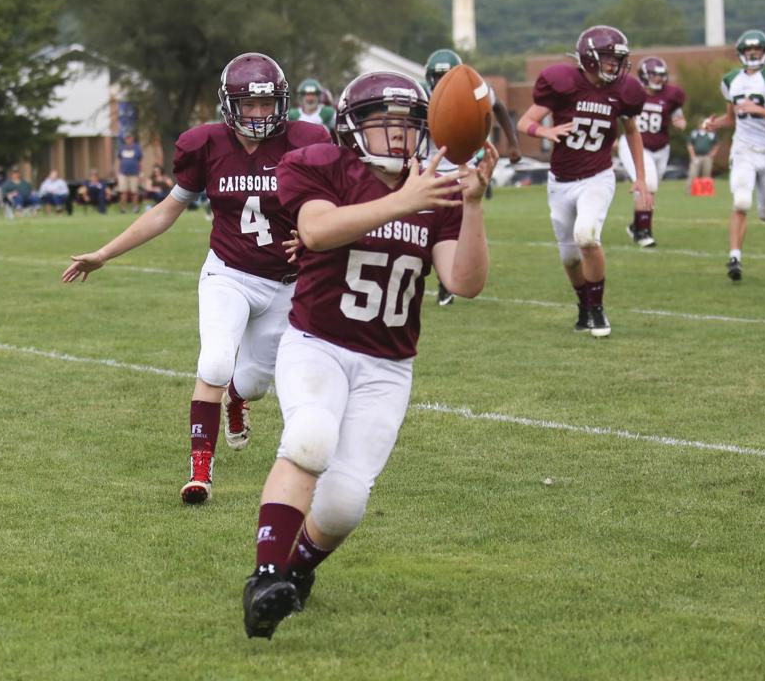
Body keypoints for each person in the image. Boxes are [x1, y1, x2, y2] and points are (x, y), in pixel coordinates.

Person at [241, 71, 495, 639]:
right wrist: (403, 200)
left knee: (346, 503)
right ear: (353, 129)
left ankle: (296, 575)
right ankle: (262, 576)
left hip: (387, 364)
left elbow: (464, 280)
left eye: (409, 125)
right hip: (318, 344)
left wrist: (473, 206)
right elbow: (319, 231)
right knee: (310, 438)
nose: (401, 137)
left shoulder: (438, 190)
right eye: (386, 124)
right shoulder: (322, 165)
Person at [61, 53, 331, 504]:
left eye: (269, 105)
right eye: (251, 105)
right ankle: (200, 474)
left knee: (255, 384)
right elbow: (169, 208)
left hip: (287, 282)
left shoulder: (306, 140)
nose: (261, 115)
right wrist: (105, 253)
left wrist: (314, 238)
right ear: (229, 105)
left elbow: (333, 207)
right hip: (229, 273)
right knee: (215, 363)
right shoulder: (203, 144)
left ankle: (237, 401)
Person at [515, 25, 650, 337]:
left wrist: (641, 177)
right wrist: (545, 132)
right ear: (589, 57)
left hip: (597, 177)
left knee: (586, 236)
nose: (614, 65)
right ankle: (584, 306)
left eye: (618, 59)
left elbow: (632, 133)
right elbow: (525, 122)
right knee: (570, 257)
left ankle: (598, 309)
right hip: (560, 181)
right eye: (608, 58)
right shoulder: (563, 83)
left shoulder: (623, 91)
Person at [423, 47, 521, 305]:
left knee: (453, 232)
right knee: (422, 231)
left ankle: (447, 280)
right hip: (428, 172)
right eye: (437, 76)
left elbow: (498, 107)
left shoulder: (476, 90)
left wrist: (512, 143)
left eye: (446, 76)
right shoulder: (420, 95)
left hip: (461, 172)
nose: (440, 82)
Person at [703, 29, 765, 281]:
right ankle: (735, 259)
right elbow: (732, 118)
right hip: (743, 148)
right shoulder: (731, 80)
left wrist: (760, 110)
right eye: (747, 51)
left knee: (764, 212)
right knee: (741, 201)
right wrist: (714, 124)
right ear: (740, 54)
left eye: (757, 50)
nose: (752, 54)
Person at [617, 56, 686, 248]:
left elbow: (677, 115)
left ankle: (635, 226)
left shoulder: (672, 94)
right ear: (644, 75)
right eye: (654, 75)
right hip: (634, 145)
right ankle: (644, 232)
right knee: (647, 184)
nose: (659, 79)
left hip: (661, 148)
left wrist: (679, 121)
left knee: (649, 189)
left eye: (661, 75)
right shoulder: (631, 92)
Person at [114, 133, 144, 214]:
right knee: (123, 191)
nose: (128, 139)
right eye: (127, 138)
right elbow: (118, 161)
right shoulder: (122, 148)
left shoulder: (137, 148)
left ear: (132, 138)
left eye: (129, 137)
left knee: (134, 192)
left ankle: (135, 208)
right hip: (123, 173)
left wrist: (141, 173)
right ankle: (123, 209)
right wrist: (116, 172)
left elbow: (140, 161)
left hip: (134, 173)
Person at [686, 124, 718, 192]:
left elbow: (716, 144)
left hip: (707, 157)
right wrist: (692, 155)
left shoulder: (711, 134)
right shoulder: (695, 133)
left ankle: (705, 191)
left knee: (706, 174)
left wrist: (713, 153)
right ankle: (690, 190)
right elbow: (690, 144)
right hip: (696, 156)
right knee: (693, 173)